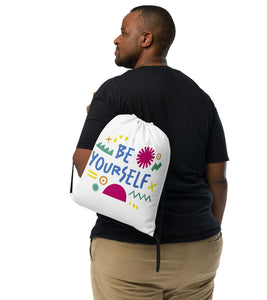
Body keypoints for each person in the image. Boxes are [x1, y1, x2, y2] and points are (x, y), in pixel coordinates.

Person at [73, 5, 229, 300]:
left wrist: (97, 120)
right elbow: (218, 179)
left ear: (146, 39)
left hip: (127, 254)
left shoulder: (114, 92)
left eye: (123, 32)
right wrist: (203, 232)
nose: (116, 40)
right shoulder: (201, 98)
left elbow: (84, 163)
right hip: (198, 252)